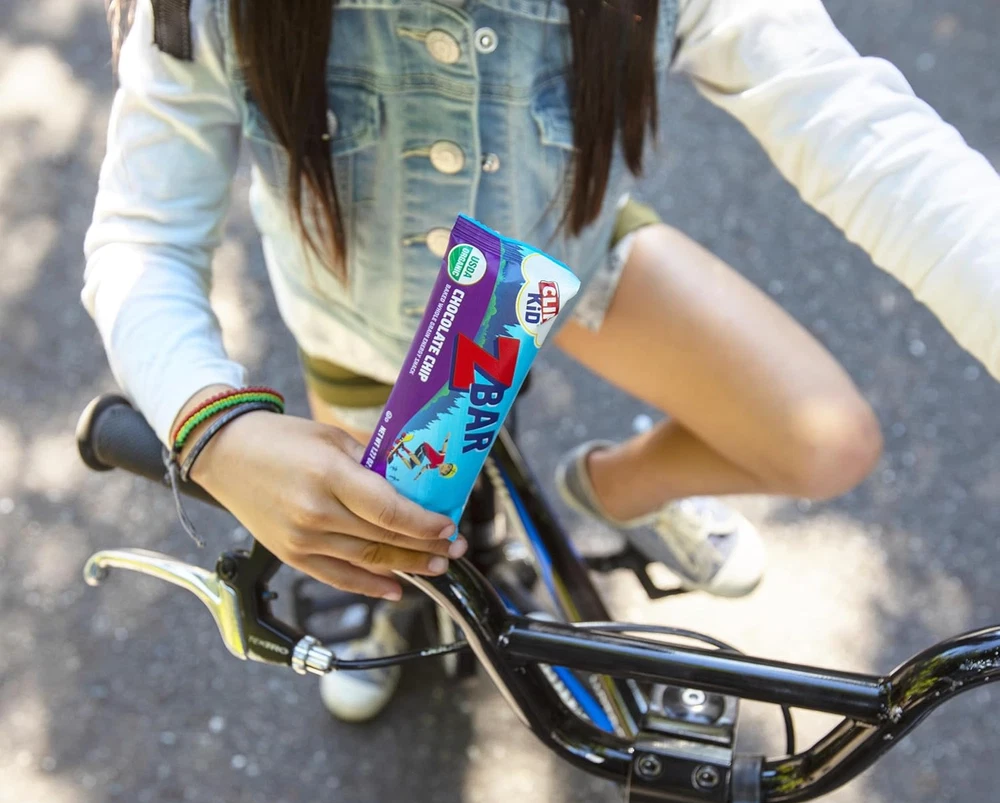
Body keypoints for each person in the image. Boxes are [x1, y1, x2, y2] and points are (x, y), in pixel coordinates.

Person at [84, 0, 1000, 721]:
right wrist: (217, 431)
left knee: (825, 441)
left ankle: (604, 494)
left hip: (565, 267)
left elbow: (856, 121)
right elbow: (141, 236)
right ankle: (369, 600)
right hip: (361, 330)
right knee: (369, 537)